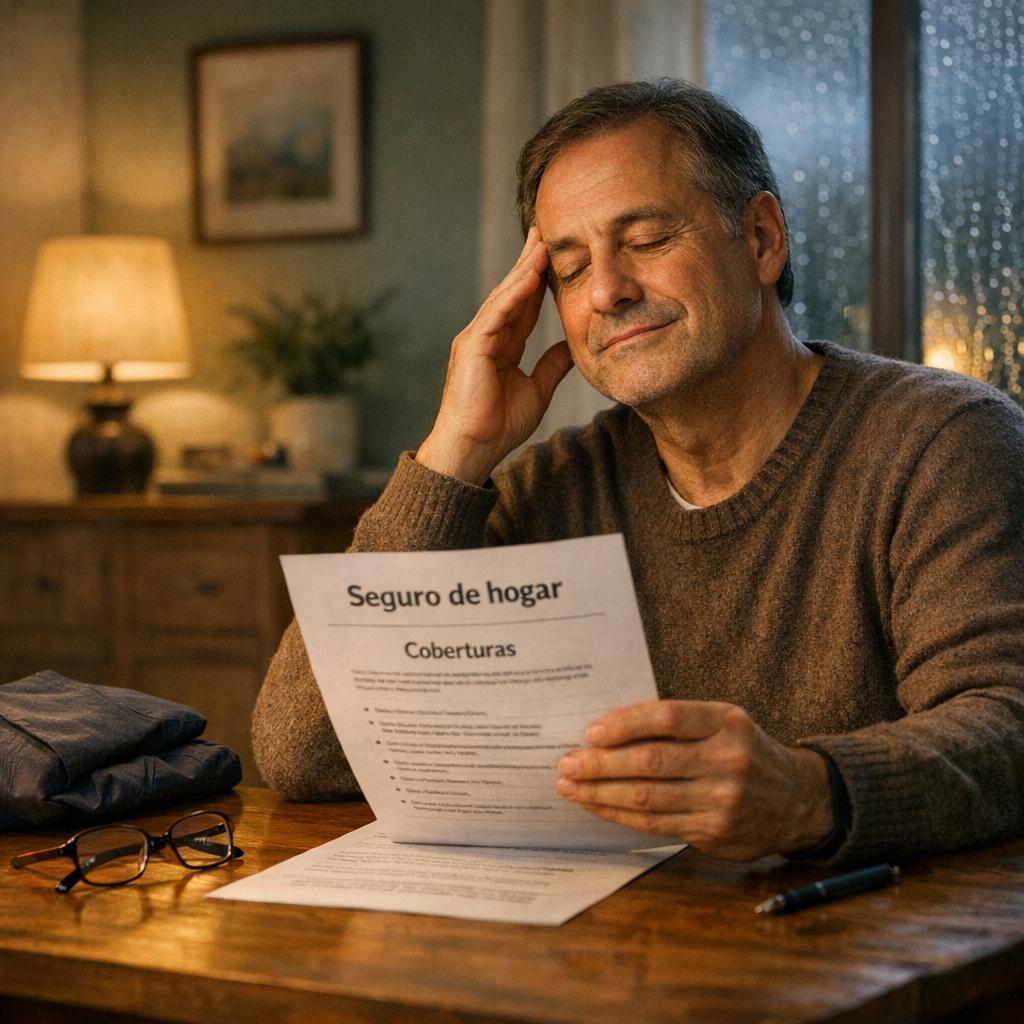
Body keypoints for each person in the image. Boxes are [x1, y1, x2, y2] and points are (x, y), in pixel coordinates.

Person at [252, 79, 1024, 866]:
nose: (608, 292)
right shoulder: (550, 486)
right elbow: (303, 753)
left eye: (648, 240)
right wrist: (455, 452)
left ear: (761, 239)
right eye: (571, 267)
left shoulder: (942, 440)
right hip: (603, 957)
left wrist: (805, 792)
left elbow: (1007, 722)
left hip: (864, 955)